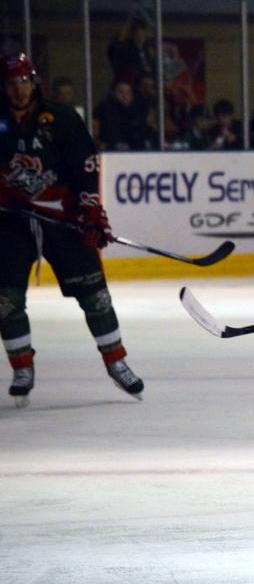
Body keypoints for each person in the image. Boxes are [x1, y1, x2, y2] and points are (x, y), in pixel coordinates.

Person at [0, 53, 145, 408]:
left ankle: (116, 362)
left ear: (34, 82)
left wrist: (91, 208)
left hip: (63, 219)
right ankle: (22, 369)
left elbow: (86, 164)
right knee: (5, 301)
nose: (18, 90)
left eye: (23, 82)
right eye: (11, 84)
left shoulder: (60, 118)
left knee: (95, 295)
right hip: (11, 220)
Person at [93, 80, 147, 150]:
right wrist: (114, 144)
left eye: (128, 93)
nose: (125, 96)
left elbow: (140, 134)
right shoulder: (104, 109)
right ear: (112, 93)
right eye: (121, 92)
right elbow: (102, 134)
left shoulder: (137, 110)